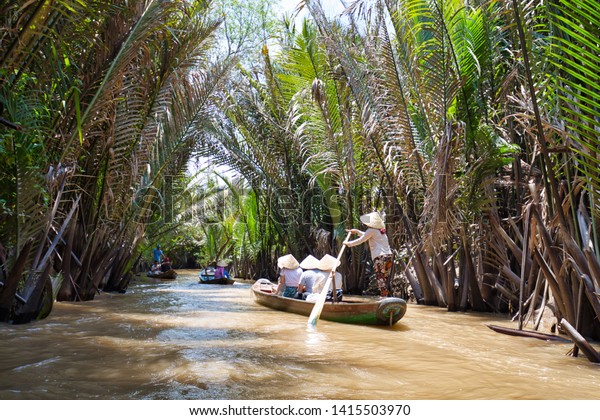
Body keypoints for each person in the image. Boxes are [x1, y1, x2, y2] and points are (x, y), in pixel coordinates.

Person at [343, 211, 393, 297]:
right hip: (388, 256)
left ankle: (384, 298)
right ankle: (389, 297)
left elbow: (361, 240)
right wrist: (357, 231)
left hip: (380, 257)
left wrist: (348, 244)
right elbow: (366, 236)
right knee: (385, 279)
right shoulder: (381, 231)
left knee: (380, 278)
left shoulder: (371, 230)